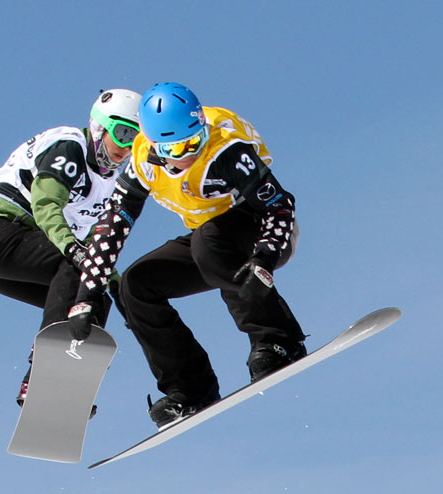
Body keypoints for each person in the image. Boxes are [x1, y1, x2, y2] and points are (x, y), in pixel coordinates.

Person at [71, 82, 305, 426]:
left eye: (193, 142)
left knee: (209, 244)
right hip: (211, 237)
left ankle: (278, 341)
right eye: (175, 148)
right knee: (135, 285)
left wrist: (264, 260)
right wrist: (86, 296)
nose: (186, 154)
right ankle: (191, 389)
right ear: (154, 145)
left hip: (261, 229)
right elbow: (113, 227)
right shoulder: (143, 161)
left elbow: (280, 206)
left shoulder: (225, 150)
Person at [0, 90, 141, 403]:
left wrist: (123, 291)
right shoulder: (70, 146)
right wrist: (75, 252)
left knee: (94, 296)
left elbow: (95, 248)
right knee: (81, 267)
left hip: (15, 256)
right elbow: (46, 205)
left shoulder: (108, 185)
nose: (127, 149)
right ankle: (49, 368)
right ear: (100, 128)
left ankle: (67, 386)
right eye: (124, 134)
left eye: (138, 142)